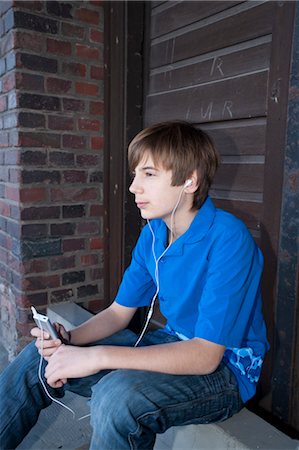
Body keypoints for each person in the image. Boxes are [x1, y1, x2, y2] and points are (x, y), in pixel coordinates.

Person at [0, 121, 269, 450]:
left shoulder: (228, 238)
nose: (133, 187)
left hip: (226, 371)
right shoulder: (153, 234)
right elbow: (117, 313)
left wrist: (97, 357)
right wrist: (68, 340)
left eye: (149, 174)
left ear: (190, 180)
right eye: (135, 174)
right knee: (37, 360)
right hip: (171, 344)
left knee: (118, 397)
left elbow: (204, 356)